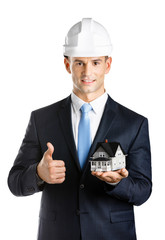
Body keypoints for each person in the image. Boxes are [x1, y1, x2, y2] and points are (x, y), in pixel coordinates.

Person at [8, 18, 152, 240]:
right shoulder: (41, 119)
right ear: (67, 65)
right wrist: (38, 173)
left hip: (112, 235)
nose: (87, 72)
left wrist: (118, 183)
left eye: (95, 62)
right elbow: (15, 182)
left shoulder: (134, 123)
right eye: (79, 63)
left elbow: (143, 190)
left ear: (108, 64)